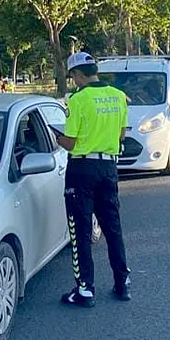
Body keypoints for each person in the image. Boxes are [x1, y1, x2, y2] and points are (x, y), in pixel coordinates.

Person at [55, 52, 131, 308]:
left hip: (82, 168)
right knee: (112, 227)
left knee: (81, 229)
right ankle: (123, 282)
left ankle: (85, 289)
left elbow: (71, 141)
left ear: (77, 75)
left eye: (73, 76)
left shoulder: (78, 100)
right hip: (109, 168)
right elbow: (121, 136)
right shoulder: (119, 97)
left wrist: (56, 137)